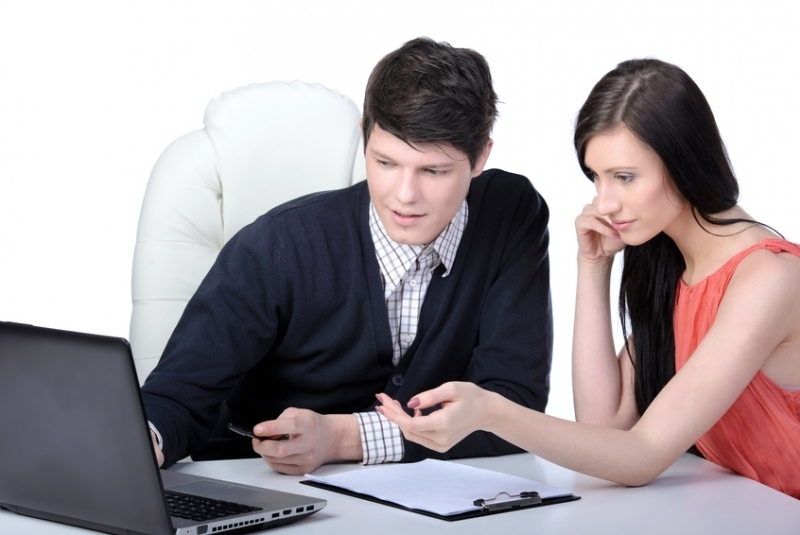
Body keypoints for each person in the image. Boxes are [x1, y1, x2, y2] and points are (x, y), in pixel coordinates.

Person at [377, 58, 800, 498]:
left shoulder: (767, 279)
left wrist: (490, 411)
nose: (605, 203)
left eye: (625, 178)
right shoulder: (677, 269)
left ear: (684, 163)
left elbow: (641, 456)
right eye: (596, 177)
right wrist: (593, 266)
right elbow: (605, 428)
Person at [141, 37, 553, 474]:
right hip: (261, 479)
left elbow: (514, 408)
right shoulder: (277, 245)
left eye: (434, 171)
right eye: (385, 162)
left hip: (421, 495)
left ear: (480, 156)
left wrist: (341, 437)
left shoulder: (510, 214)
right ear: (363, 135)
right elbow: (174, 399)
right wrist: (142, 442)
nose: (405, 195)